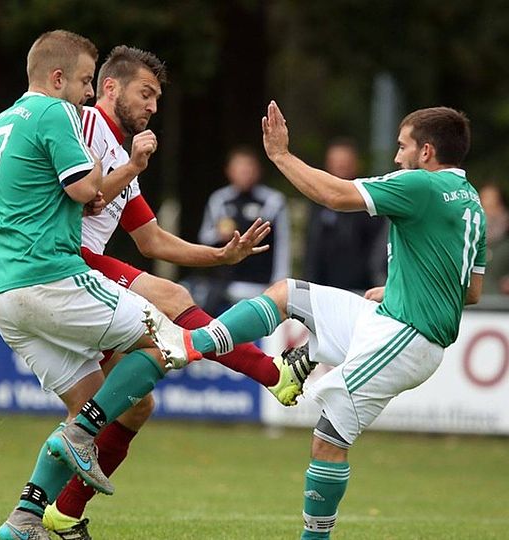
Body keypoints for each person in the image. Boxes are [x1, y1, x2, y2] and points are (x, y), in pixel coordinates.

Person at [158, 102, 485, 539]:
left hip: (407, 338)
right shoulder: (472, 202)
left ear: (426, 152)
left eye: (402, 146)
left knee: (328, 439)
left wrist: (281, 157)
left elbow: (336, 195)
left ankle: (315, 537)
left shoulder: (420, 185)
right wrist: (400, 287)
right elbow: (471, 291)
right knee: (287, 293)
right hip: (391, 318)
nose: (396, 157)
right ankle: (201, 344)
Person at [42, 46, 311, 540]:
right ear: (109, 87)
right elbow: (71, 201)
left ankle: (58, 516)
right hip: (60, 264)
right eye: (145, 94)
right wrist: (132, 167)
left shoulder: (121, 153)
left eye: (157, 99)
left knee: (132, 406)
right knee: (167, 296)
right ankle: (272, 372)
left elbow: (151, 239)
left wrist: (221, 256)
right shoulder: (81, 126)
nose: (152, 107)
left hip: (80, 272)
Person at [0, 31, 200, 540]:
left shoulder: (1, 122)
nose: (87, 92)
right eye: (84, 80)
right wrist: (131, 166)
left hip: (3, 292)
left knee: (99, 404)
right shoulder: (55, 113)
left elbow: (77, 197)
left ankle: (24, 521)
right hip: (51, 276)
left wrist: (100, 188)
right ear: (57, 78)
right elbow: (85, 191)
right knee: (165, 340)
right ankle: (78, 437)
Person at [198, 146, 291, 306]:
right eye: (240, 169)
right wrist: (219, 235)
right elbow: (204, 238)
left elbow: (283, 243)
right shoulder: (220, 199)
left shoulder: (273, 201)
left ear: (258, 171)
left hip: (262, 286)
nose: (245, 173)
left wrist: (280, 280)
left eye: (249, 169)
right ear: (229, 171)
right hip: (225, 286)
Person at [303, 139, 386, 291]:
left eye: (345, 161)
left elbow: (378, 248)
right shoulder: (317, 201)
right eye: (336, 161)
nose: (341, 166)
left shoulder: (368, 200)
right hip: (323, 285)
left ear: (356, 163)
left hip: (362, 287)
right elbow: (312, 246)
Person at [478, 182, 509, 296]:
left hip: (504, 300)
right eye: (484, 198)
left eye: (492, 199)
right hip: (475, 299)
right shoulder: (471, 228)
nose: (488, 203)